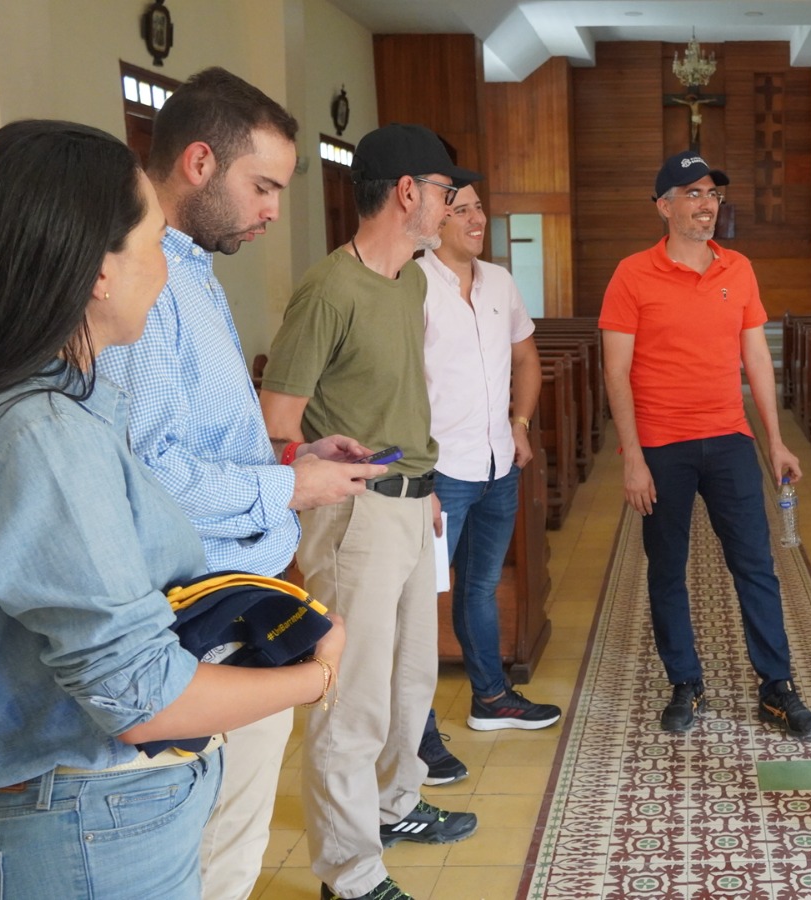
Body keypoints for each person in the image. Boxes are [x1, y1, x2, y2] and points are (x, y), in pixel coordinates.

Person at [0, 120, 344, 899]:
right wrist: (317, 675)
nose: (166, 270)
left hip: (90, 821)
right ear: (97, 272)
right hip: (82, 830)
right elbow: (142, 698)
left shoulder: (52, 411)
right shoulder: (40, 437)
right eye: (153, 243)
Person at [93, 67, 381, 900]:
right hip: (199, 614)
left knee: (231, 846)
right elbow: (154, 475)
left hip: (233, 595)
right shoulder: (149, 281)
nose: (271, 211)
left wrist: (289, 459)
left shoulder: (191, 270)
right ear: (197, 162)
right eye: (261, 186)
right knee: (217, 858)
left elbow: (200, 440)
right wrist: (287, 492)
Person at [259, 122, 477, 900]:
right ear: (408, 193)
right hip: (354, 517)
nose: (454, 204)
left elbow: (397, 394)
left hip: (414, 504)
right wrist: (323, 471)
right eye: (447, 191)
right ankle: (349, 873)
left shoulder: (413, 279)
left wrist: (422, 488)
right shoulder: (329, 288)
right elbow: (278, 420)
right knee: (350, 698)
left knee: (411, 681)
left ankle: (394, 805)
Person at [599, 150, 811, 741]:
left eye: (713, 195)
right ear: (663, 206)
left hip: (728, 440)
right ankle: (685, 681)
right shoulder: (631, 274)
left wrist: (775, 442)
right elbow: (616, 373)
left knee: (755, 565)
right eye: (693, 194)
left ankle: (776, 687)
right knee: (666, 570)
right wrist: (633, 460)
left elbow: (756, 358)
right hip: (662, 447)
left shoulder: (739, 269)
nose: (706, 205)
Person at [413, 181, 561, 785]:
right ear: (434, 218)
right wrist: (414, 472)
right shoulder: (410, 283)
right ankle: (415, 735)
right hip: (438, 472)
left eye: (479, 209)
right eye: (462, 210)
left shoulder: (499, 281)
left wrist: (519, 422)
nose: (476, 220)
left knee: (477, 588)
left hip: (498, 464)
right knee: (417, 604)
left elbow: (527, 357)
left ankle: (491, 698)